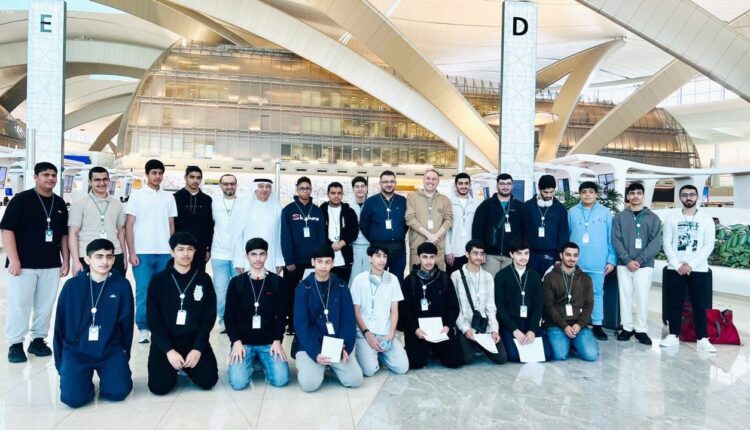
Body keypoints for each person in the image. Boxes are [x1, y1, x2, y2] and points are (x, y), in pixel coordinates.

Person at [53, 239, 134, 408]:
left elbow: (127, 326)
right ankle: (82, 383)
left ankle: (110, 376)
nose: (105, 261)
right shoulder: (72, 286)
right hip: (77, 352)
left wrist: (123, 356)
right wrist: (62, 364)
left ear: (114, 259)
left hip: (110, 350)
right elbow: (60, 326)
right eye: (99, 257)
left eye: (109, 257)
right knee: (73, 399)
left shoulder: (122, 285)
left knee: (118, 393)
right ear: (87, 260)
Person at [2, 162, 69, 363]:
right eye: (46, 174)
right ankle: (15, 344)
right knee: (19, 305)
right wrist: (14, 259)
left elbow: (63, 235)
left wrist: (66, 260)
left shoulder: (59, 203)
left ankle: (38, 340)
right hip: (23, 264)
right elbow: (7, 230)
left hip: (50, 263)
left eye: (53, 175)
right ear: (36, 177)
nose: (50, 178)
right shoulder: (21, 200)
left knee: (45, 305)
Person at [146, 232, 218, 395]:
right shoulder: (158, 281)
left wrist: (198, 348)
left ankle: (186, 367)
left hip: (193, 342)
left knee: (208, 381)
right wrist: (169, 351)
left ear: (195, 252)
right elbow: (153, 319)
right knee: (159, 387)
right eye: (180, 249)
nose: (185, 254)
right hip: (167, 343)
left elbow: (209, 316)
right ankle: (175, 369)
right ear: (172, 252)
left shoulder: (203, 279)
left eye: (189, 249)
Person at [293, 245, 363, 392]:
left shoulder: (342, 286)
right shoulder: (303, 288)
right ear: (313, 262)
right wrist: (315, 353)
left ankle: (330, 366)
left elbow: (348, 320)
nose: (323, 266)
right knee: (309, 385)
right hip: (311, 343)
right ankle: (312, 365)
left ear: (333, 263)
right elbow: (301, 325)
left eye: (327, 262)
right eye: (319, 261)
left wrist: (344, 346)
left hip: (336, 343)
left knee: (355, 380)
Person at [225, 238, 289, 389]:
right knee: (238, 383)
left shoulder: (277, 282)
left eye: (262, 254)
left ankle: (260, 361)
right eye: (253, 254)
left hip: (269, 342)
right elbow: (229, 316)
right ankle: (253, 361)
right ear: (247, 256)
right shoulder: (236, 283)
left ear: (267, 255)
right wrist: (236, 342)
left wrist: (277, 340)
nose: (258, 259)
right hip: (243, 343)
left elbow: (282, 315)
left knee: (281, 380)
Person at [125, 159, 178, 344]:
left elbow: (171, 224)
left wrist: (172, 250)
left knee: (164, 291)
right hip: (142, 252)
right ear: (147, 174)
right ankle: (143, 327)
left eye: (160, 173)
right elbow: (129, 225)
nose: (157, 176)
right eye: (154, 173)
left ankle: (161, 327)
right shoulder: (136, 196)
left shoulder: (169, 198)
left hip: (164, 252)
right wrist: (132, 252)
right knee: (143, 291)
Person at [660, 185, 717, 353]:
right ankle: (673, 335)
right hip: (675, 268)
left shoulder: (706, 219)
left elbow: (708, 245)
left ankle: (702, 338)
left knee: (700, 304)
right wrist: (677, 265)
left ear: (697, 197)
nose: (688, 197)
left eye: (692, 194)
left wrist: (691, 264)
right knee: (674, 302)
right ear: (680, 198)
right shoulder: (672, 218)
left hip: (698, 268)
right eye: (684, 195)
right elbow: (666, 243)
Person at [400, 242, 463, 369]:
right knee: (416, 363)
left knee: (455, 361)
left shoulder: (444, 278)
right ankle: (424, 348)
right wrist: (415, 329)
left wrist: (447, 326)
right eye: (425, 257)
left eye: (432, 257)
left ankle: (435, 349)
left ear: (436, 258)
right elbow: (405, 310)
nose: (428, 261)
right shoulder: (410, 280)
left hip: (440, 329)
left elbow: (453, 307)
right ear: (419, 257)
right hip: (418, 330)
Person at [612, 182, 661, 345]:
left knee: (642, 297)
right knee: (625, 296)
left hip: (644, 265)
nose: (635, 196)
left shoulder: (653, 218)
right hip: (623, 264)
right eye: (632, 193)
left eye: (639, 193)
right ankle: (627, 327)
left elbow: (656, 243)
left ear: (643, 196)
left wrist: (639, 261)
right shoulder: (619, 217)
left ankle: (641, 329)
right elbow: (616, 240)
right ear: (628, 196)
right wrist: (627, 260)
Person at [567, 181, 615, 341]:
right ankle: (576, 323)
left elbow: (611, 238)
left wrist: (611, 260)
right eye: (584, 192)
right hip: (575, 262)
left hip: (598, 262)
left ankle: (597, 325)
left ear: (596, 194)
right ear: (580, 194)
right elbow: (567, 237)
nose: (587, 195)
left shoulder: (605, 213)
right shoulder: (572, 212)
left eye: (591, 192)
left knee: (597, 294)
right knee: (574, 294)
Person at [350, 245, 409, 376]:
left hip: (385, 333)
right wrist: (367, 334)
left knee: (402, 368)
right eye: (378, 256)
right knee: (369, 370)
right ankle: (367, 351)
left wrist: (391, 333)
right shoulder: (359, 280)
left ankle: (381, 355)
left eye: (384, 256)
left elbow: (394, 310)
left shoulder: (392, 279)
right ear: (370, 258)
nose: (382, 260)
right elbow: (356, 310)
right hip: (365, 333)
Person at [495, 239, 553, 362]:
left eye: (526, 253)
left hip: (529, 322)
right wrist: (514, 330)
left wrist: (532, 330)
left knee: (548, 354)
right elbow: (499, 306)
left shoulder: (535, 276)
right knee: (513, 356)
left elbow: (538, 305)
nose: (523, 257)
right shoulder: (501, 276)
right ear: (511, 254)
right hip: (510, 323)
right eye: (519, 253)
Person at [281, 177, 326, 334]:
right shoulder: (288, 210)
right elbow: (285, 237)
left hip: (313, 262)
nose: (305, 191)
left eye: (307, 188)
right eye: (302, 188)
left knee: (313, 293)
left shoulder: (317, 210)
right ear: (297, 189)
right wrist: (289, 260)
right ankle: (292, 324)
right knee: (292, 294)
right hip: (294, 262)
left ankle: (312, 323)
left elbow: (321, 236)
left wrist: (319, 259)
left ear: (311, 189)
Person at [451, 240, 505, 365]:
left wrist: (494, 329)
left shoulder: (488, 277)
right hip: (466, 325)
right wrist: (465, 329)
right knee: (467, 358)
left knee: (501, 358)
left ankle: (480, 345)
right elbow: (455, 308)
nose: (479, 257)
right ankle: (472, 344)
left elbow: (491, 307)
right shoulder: (456, 276)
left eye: (482, 254)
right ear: (467, 254)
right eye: (475, 253)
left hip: (484, 326)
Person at [543, 242, 599, 362]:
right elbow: (548, 305)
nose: (572, 259)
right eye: (568, 255)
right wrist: (564, 326)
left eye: (575, 255)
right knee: (559, 354)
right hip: (557, 325)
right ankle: (570, 342)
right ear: (561, 255)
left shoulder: (586, 278)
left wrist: (580, 324)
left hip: (578, 325)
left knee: (591, 355)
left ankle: (574, 342)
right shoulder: (550, 277)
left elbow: (589, 304)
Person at [68, 167, 127, 275]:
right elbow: (73, 233)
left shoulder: (117, 204)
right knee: (89, 286)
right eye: (97, 180)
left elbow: (120, 232)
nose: (102, 183)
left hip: (114, 254)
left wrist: (124, 256)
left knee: (116, 285)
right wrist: (75, 261)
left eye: (105, 179)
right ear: (90, 182)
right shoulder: (79, 204)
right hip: (88, 256)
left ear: (109, 181)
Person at [359, 171, 408, 282]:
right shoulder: (370, 202)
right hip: (378, 248)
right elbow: (364, 224)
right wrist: (375, 238)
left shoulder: (403, 201)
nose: (389, 184)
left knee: (397, 281)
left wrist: (397, 233)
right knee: (376, 280)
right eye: (385, 182)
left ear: (395, 183)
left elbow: (406, 224)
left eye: (392, 181)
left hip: (398, 249)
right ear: (380, 184)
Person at [472, 173, 523, 276]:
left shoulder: (520, 207)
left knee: (508, 284)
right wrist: (480, 252)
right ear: (497, 186)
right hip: (490, 255)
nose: (505, 186)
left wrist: (520, 252)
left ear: (512, 185)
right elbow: (477, 230)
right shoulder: (486, 205)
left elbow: (525, 231)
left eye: (508, 184)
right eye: (502, 184)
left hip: (512, 255)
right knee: (490, 283)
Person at [233, 178, 284, 274]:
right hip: (248, 257)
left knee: (269, 282)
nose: (264, 189)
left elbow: (280, 236)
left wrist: (279, 260)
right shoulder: (244, 208)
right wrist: (239, 261)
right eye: (261, 186)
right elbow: (238, 236)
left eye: (268, 186)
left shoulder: (277, 209)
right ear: (255, 189)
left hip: (271, 257)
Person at [406, 169, 453, 271]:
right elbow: (410, 218)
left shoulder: (445, 200)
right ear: (423, 180)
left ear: (438, 182)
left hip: (437, 249)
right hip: (417, 248)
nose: (430, 181)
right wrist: (429, 235)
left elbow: (449, 220)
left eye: (434, 179)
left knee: (438, 278)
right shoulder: (412, 197)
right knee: (417, 278)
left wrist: (436, 236)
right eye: (428, 178)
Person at [521, 175, 568, 275]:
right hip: (530, 255)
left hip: (551, 255)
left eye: (551, 192)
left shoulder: (560, 209)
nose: (548, 195)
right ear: (539, 189)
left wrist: (559, 258)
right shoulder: (527, 207)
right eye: (545, 192)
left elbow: (563, 235)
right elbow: (521, 231)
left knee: (549, 284)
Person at [211, 174, 239, 333]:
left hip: (239, 256)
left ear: (236, 185)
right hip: (219, 254)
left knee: (238, 292)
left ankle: (236, 320)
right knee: (221, 291)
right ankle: (222, 320)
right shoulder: (214, 203)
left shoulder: (242, 203)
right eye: (226, 183)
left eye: (232, 183)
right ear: (220, 185)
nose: (229, 186)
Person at [173, 166, 213, 272]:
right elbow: (171, 224)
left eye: (198, 178)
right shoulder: (175, 198)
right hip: (180, 248)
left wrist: (208, 249)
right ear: (185, 177)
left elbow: (210, 226)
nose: (195, 180)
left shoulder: (207, 200)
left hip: (200, 248)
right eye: (192, 177)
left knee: (198, 277)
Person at [320, 182, 359, 284]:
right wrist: (330, 245)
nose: (336, 196)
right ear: (328, 194)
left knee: (342, 287)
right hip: (325, 258)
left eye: (339, 193)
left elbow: (354, 231)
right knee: (325, 288)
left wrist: (342, 243)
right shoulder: (321, 211)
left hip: (344, 258)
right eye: (333, 193)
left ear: (342, 194)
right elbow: (318, 232)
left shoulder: (349, 211)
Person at [445, 173, 479, 275]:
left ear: (470, 185)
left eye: (466, 183)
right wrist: (448, 251)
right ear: (455, 185)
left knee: (470, 280)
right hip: (454, 252)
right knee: (453, 280)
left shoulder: (476, 204)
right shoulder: (449, 204)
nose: (463, 186)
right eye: (460, 183)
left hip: (471, 251)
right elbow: (446, 230)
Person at [348, 176, 370, 286]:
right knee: (354, 279)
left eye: (362, 186)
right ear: (353, 189)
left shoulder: (371, 204)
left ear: (366, 188)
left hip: (369, 245)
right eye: (357, 186)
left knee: (369, 278)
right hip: (353, 246)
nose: (360, 189)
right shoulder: (347, 206)